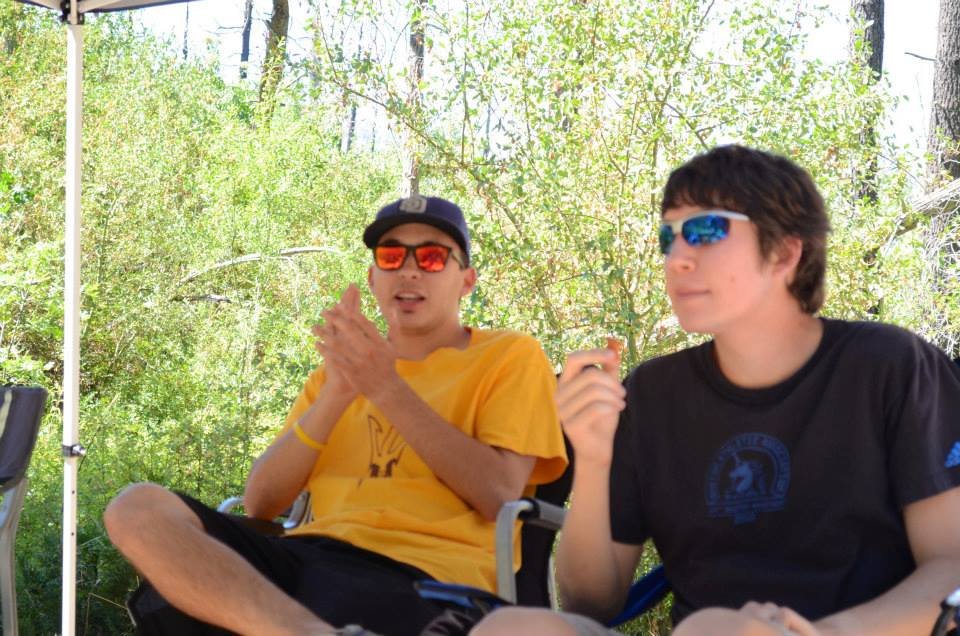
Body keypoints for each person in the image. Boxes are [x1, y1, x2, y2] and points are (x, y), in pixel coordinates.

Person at [470, 145, 960, 636]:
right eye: (668, 237)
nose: (677, 259)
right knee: (511, 628)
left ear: (786, 252)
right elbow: (588, 601)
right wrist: (594, 461)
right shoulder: (654, 394)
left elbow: (951, 565)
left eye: (706, 231)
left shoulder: (889, 366)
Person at [104, 194, 568, 636]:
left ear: (466, 280)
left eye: (431, 257)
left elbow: (499, 494)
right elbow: (261, 503)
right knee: (137, 508)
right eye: (392, 256)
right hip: (305, 560)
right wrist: (338, 393)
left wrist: (385, 387)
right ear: (373, 278)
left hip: (420, 577)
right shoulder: (340, 373)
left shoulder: (509, 356)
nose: (409, 271)